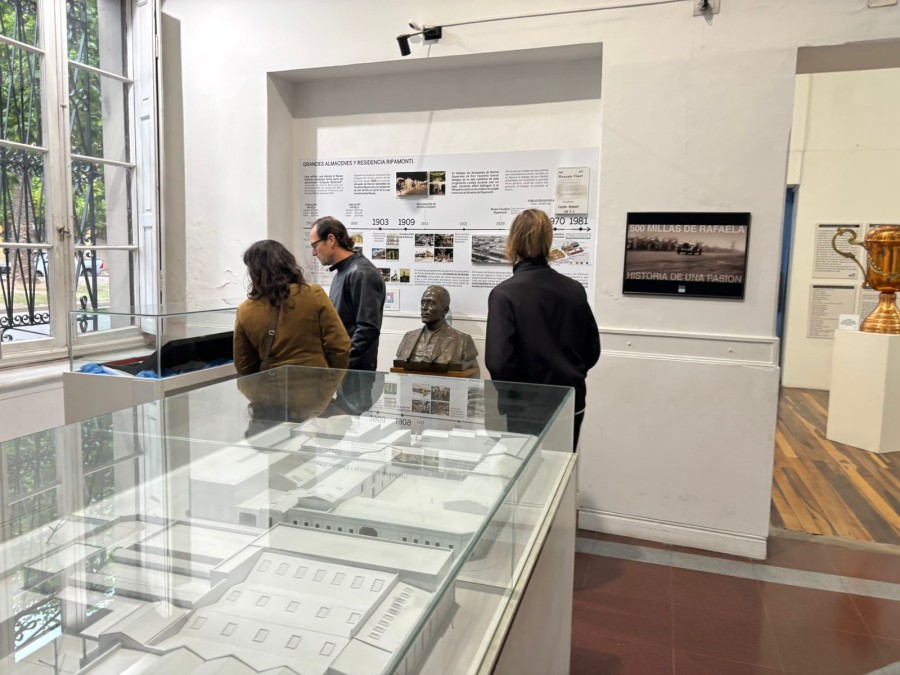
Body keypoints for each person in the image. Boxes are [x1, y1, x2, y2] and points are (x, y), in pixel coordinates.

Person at [485, 209, 600, 451]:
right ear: (548, 241)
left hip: (526, 407)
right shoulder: (574, 289)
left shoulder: (504, 295)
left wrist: (513, 397)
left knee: (529, 479)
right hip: (571, 400)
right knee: (561, 477)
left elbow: (499, 362)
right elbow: (592, 350)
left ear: (512, 243)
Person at [233, 239, 350, 376]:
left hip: (271, 390)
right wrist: (331, 382)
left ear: (254, 272)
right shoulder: (313, 294)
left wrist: (261, 389)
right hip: (315, 388)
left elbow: (243, 363)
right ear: (287, 263)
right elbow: (340, 346)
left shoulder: (245, 310)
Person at [310, 216, 386, 370]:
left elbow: (367, 329)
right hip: (344, 370)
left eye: (314, 245)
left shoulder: (361, 273)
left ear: (331, 240)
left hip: (354, 374)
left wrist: (341, 363)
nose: (313, 252)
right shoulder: (343, 272)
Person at [395, 285, 478, 371]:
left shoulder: (463, 341)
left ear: (445, 310)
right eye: (423, 303)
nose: (424, 308)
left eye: (431, 303)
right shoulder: (408, 337)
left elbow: (472, 373)